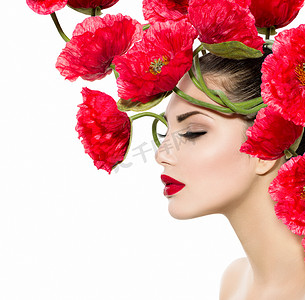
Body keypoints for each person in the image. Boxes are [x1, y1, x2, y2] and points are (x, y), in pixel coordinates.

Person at [155, 52, 305, 299]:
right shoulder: (235, 280)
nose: (161, 155)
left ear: (266, 145)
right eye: (164, 133)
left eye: (193, 132)